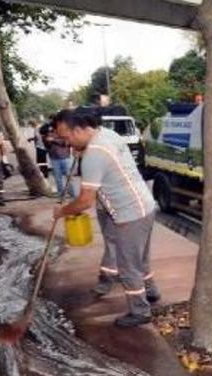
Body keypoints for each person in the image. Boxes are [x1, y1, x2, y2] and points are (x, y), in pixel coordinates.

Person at [52, 109, 161, 327]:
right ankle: (151, 292)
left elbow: (85, 201)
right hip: (145, 205)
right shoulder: (107, 134)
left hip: (129, 214)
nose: (68, 145)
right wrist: (81, 153)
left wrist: (62, 211)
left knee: (128, 266)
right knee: (140, 258)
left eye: (68, 138)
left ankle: (140, 311)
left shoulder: (94, 154)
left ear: (80, 129)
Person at [44, 118, 77, 198]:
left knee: (68, 176)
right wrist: (47, 141)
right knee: (57, 177)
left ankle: (72, 193)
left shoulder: (63, 133)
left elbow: (65, 143)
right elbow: (47, 146)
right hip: (54, 158)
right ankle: (60, 193)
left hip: (65, 157)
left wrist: (53, 140)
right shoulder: (50, 134)